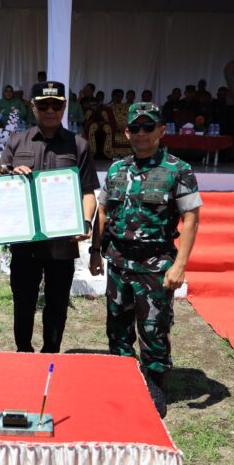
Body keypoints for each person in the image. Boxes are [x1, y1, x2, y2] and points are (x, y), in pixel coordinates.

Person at [89, 102, 201, 417]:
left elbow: (191, 218)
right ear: (126, 132)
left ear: (161, 130)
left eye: (148, 127)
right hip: (119, 261)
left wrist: (180, 266)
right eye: (134, 128)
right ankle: (122, 377)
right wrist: (96, 251)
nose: (141, 134)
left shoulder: (177, 169)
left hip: (156, 263)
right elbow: (103, 211)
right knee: (118, 325)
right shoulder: (116, 169)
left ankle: (154, 383)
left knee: (153, 326)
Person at [0, 81, 100, 353]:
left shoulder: (78, 145)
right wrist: (9, 174)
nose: (50, 110)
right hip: (25, 242)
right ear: (33, 107)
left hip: (62, 244)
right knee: (24, 302)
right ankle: (23, 351)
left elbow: (88, 192)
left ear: (64, 106)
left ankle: (51, 353)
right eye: (43, 104)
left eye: (56, 104)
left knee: (57, 305)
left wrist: (86, 222)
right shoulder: (16, 141)